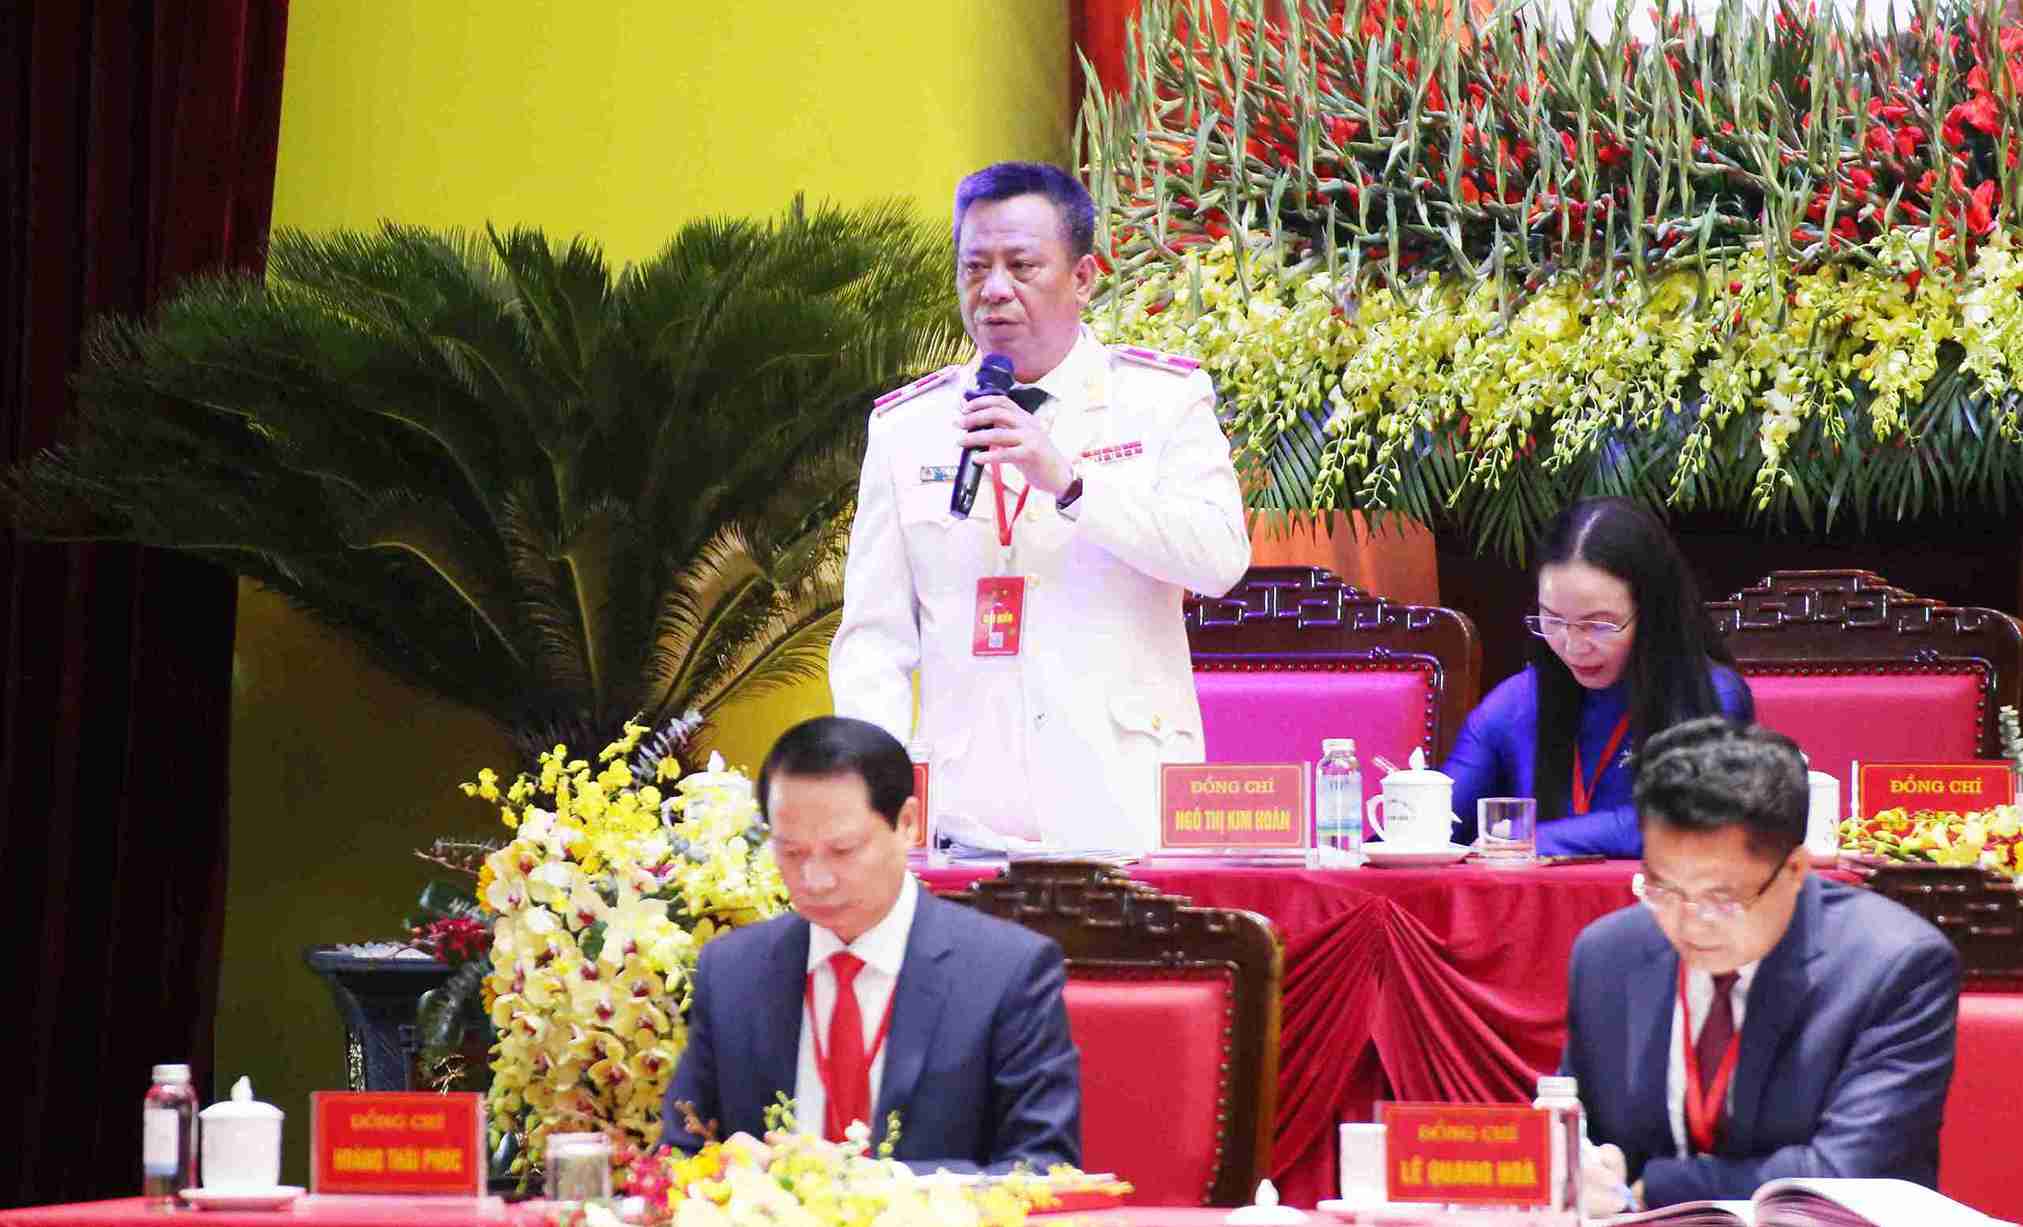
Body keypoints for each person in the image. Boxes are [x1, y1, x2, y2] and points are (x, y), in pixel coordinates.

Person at [828, 161, 1250, 852]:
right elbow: (872, 640)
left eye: (1021, 265)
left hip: (1125, 815)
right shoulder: (908, 426)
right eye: (974, 268)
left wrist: (1072, 482)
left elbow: (1218, 559)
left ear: (1082, 277)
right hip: (961, 819)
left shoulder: (1161, 399)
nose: (993, 290)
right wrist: (879, 791)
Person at [1564, 717, 1960, 1213]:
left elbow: (1841, 1177)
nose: (1689, 924)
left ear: (1794, 870)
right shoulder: (1606, 957)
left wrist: (1652, 1189)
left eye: (1721, 898)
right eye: (1662, 889)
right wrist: (1577, 1164)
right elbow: (1580, 1131)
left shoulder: (1895, 967)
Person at [659, 716, 1080, 1172]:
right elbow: (678, 1154)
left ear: (907, 824)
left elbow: (1044, 1170)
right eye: (791, 852)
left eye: (842, 851)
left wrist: (872, 1183)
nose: (814, 879)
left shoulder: (1007, 972)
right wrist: (719, 1166)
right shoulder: (733, 969)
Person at [1443, 497, 1753, 856]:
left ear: (1651, 615)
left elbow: (1684, 819)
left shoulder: (1710, 694)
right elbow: (1436, 822)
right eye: (1554, 620)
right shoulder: (1514, 704)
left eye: (1599, 624)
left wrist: (1529, 839)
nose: (1573, 647)